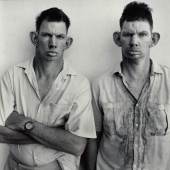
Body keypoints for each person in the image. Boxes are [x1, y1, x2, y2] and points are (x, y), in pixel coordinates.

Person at [0, 7, 96, 170]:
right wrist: (56, 136)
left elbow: (77, 145)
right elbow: (1, 134)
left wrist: (25, 124)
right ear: (34, 38)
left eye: (59, 37)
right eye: (46, 35)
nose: (53, 43)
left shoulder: (79, 84)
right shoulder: (13, 75)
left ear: (68, 42)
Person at [88, 1, 170, 170]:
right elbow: (92, 139)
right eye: (128, 34)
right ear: (117, 38)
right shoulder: (100, 85)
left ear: (153, 39)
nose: (134, 41)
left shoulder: (169, 81)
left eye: (142, 34)